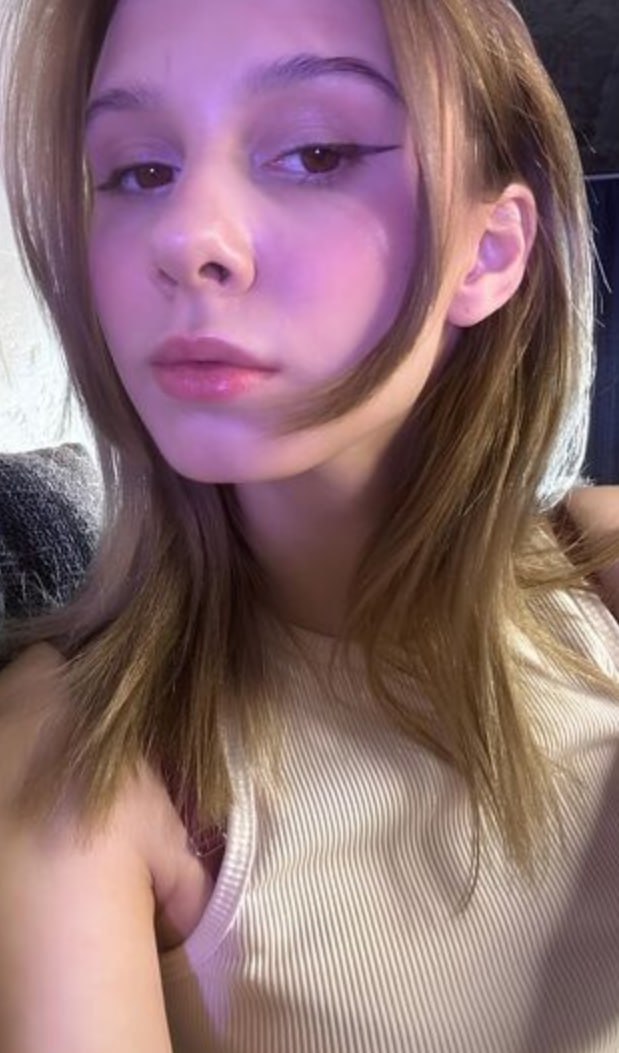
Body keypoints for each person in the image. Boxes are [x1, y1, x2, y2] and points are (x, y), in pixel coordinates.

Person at [0, 0, 618, 1050]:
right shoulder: (73, 758)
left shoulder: (603, 567)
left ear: (488, 251)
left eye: (316, 152)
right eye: (139, 171)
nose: (185, 238)